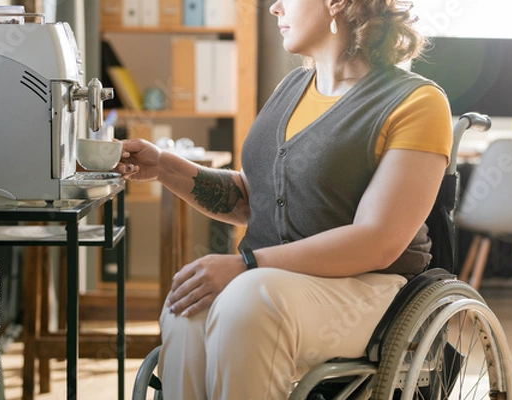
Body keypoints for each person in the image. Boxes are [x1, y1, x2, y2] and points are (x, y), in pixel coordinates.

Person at [117, 0, 452, 398]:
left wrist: (245, 265)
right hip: (271, 283)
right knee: (189, 306)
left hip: (372, 290)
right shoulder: (291, 89)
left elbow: (378, 241)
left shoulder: (416, 103)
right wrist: (165, 167)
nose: (275, 8)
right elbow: (250, 201)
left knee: (246, 301)